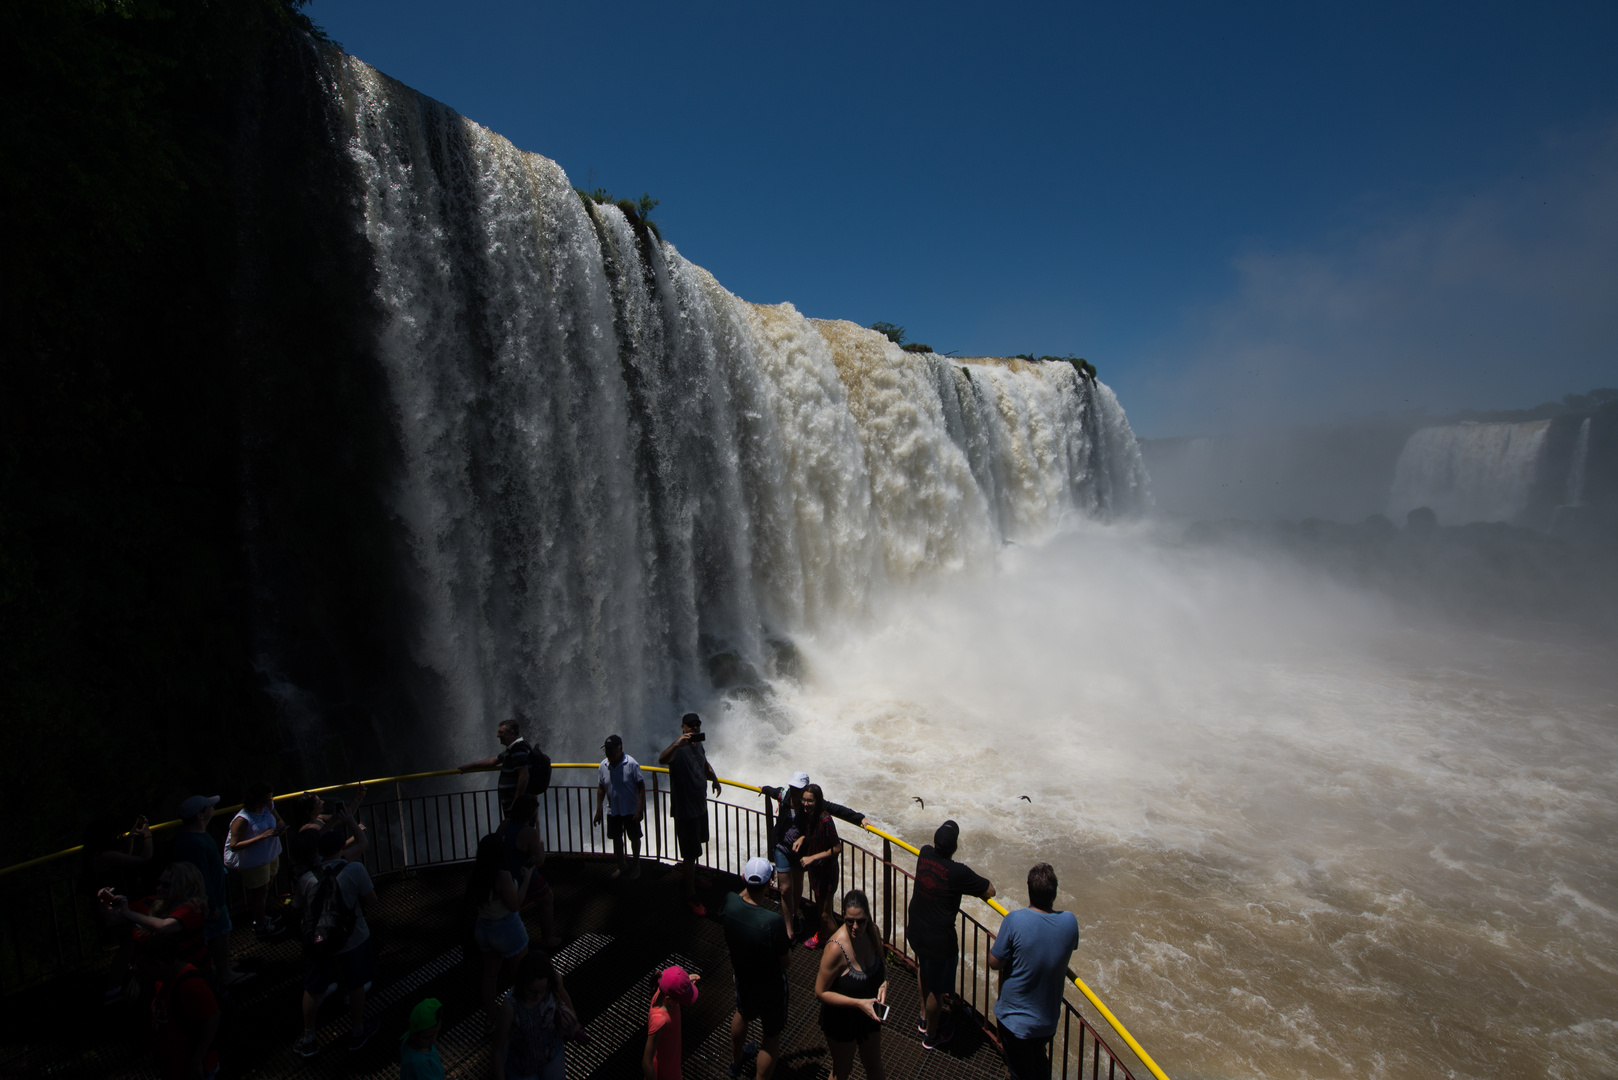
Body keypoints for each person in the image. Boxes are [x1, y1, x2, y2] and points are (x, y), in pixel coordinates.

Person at [987, 863, 1080, 1080]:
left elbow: (994, 962)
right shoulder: (1070, 922)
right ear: (1054, 893)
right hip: (1047, 1021)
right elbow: (1068, 946)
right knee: (1037, 1059)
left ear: (1028, 890)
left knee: (1020, 1071)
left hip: (1013, 1020)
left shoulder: (1015, 920)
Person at [907, 819, 995, 1050]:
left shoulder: (924, 854)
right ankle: (932, 1036)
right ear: (955, 847)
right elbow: (990, 890)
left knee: (924, 969)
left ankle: (923, 1016)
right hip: (940, 941)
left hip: (916, 929)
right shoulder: (959, 872)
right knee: (938, 988)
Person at [292, 830, 379, 1057]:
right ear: (342, 846)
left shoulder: (306, 877)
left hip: (317, 940)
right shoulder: (354, 869)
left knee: (313, 987)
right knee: (356, 984)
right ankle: (357, 1032)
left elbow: (297, 908)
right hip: (353, 938)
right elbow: (371, 901)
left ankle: (309, 1037)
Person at [759, 773, 865, 941]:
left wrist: (859, 818)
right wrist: (764, 789)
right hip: (784, 848)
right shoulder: (785, 794)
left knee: (805, 892)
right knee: (786, 888)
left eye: (798, 789)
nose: (795, 792)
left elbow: (838, 810)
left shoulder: (817, 811)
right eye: (793, 787)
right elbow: (774, 791)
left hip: (805, 855)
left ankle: (829, 939)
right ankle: (791, 930)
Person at [721, 857, 791, 1080]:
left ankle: (736, 1060)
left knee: (742, 1013)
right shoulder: (773, 922)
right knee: (771, 1035)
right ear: (770, 884)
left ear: (743, 878)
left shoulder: (729, 902)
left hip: (742, 976)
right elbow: (785, 961)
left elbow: (740, 896)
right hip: (770, 986)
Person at [170, 794, 247, 990]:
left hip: (213, 899)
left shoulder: (194, 837)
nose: (213, 808)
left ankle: (222, 965)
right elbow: (200, 878)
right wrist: (211, 905)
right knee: (219, 933)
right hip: (210, 902)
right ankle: (224, 974)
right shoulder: (193, 843)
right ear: (200, 815)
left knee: (220, 933)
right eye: (209, 807)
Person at [814, 889, 888, 1080]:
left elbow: (882, 963)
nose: (855, 927)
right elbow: (820, 992)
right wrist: (857, 1003)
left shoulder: (873, 933)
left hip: (869, 1014)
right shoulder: (834, 949)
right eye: (849, 921)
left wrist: (884, 983)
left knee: (874, 1065)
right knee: (842, 1070)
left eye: (861, 921)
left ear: (868, 918)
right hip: (841, 1020)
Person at [83, 812, 153, 1002]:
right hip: (112, 911)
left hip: (108, 908)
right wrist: (147, 835)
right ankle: (113, 988)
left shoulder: (97, 856)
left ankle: (121, 983)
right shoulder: (105, 856)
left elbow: (123, 859)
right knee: (129, 942)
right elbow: (143, 859)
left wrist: (130, 837)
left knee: (130, 941)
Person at [658, 712, 723, 915]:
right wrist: (678, 744)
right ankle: (690, 894)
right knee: (688, 853)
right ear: (683, 727)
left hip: (699, 806)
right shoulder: (677, 749)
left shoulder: (698, 745)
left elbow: (703, 762)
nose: (695, 728)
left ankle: (692, 878)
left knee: (696, 847)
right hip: (685, 810)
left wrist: (714, 778)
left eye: (697, 725)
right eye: (691, 725)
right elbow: (662, 759)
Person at [470, 831, 534, 1026]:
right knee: (521, 975)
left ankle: (491, 1017)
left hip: (484, 928)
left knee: (490, 974)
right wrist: (527, 879)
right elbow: (515, 904)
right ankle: (523, 1017)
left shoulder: (477, 873)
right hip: (507, 930)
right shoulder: (502, 876)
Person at [103, 861, 212, 976]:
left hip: (191, 974)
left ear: (181, 886)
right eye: (158, 883)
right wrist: (104, 901)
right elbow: (111, 919)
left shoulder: (192, 907)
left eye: (166, 885)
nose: (159, 888)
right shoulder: (150, 902)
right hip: (156, 975)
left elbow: (164, 927)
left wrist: (127, 912)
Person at [138, 933, 220, 1080]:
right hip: (174, 1065)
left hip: (191, 1068)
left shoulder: (190, 985)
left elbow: (212, 1019)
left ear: (158, 963)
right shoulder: (163, 981)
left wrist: (196, 1063)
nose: (142, 972)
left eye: (143, 966)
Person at [494, 952, 580, 1080]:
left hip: (552, 1054)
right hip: (522, 1067)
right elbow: (498, 1049)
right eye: (532, 991)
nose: (538, 996)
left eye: (542, 990)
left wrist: (574, 1024)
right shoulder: (510, 1007)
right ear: (521, 984)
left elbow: (563, 995)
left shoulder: (554, 982)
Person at [499, 793, 561, 948]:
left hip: (505, 872)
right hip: (524, 875)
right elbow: (539, 861)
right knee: (547, 899)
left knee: (507, 907)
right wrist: (541, 846)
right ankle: (546, 938)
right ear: (529, 813)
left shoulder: (505, 824)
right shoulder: (529, 833)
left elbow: (496, 844)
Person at [226, 782, 286, 941]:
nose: (269, 801)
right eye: (266, 799)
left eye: (270, 798)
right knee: (259, 894)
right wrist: (261, 837)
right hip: (255, 862)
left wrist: (281, 828)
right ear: (255, 799)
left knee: (267, 887)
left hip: (271, 855)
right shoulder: (242, 819)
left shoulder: (268, 806)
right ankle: (260, 924)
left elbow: (279, 820)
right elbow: (234, 845)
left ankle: (263, 917)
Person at [460, 716, 546, 816]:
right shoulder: (513, 748)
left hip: (517, 804)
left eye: (501, 732)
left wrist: (516, 802)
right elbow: (494, 760)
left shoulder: (518, 749)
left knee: (518, 828)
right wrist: (469, 766)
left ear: (512, 733)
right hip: (513, 802)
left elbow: (524, 776)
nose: (498, 735)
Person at [794, 784, 841, 949]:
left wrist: (812, 857)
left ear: (818, 801)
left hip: (826, 871)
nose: (805, 804)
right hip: (816, 869)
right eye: (804, 800)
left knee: (826, 914)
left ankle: (839, 949)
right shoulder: (810, 816)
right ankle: (823, 935)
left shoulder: (826, 820)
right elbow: (812, 835)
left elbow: (837, 848)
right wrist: (802, 838)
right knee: (821, 909)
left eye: (810, 801)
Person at [594, 734, 645, 879]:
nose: (608, 753)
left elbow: (641, 787)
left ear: (620, 748)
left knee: (634, 837)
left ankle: (636, 865)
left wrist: (639, 809)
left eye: (611, 749)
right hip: (613, 809)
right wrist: (598, 810)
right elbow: (601, 788)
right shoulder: (603, 765)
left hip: (630, 810)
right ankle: (622, 865)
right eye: (606, 750)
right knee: (617, 838)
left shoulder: (631, 764)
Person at [643, 965, 699, 1080]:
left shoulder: (662, 990)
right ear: (669, 999)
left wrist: (686, 983)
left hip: (673, 1060)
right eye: (681, 999)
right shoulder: (659, 1020)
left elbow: (672, 982)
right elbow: (646, 1062)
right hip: (665, 1071)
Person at [400, 998, 446, 1080]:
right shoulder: (420, 1064)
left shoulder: (409, 1042)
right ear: (413, 1035)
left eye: (436, 1033)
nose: (433, 1040)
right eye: (427, 1038)